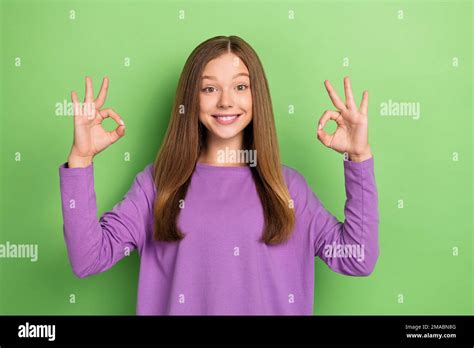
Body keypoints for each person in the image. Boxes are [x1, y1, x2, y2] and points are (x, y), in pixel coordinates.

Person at [59, 35, 379, 315]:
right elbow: (87, 259)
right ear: (191, 99)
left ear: (257, 98)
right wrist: (81, 159)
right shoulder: (158, 185)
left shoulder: (288, 188)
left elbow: (358, 259)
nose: (226, 100)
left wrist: (358, 157)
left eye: (240, 86)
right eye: (209, 88)